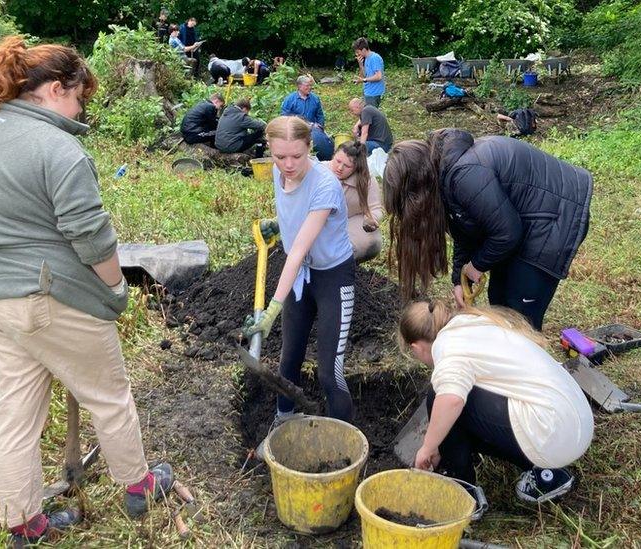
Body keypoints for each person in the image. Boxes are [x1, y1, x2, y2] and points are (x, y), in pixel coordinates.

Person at [0, 36, 173, 545]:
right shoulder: (58, 147)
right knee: (109, 395)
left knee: (15, 412)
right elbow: (90, 234)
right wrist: (116, 287)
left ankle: (25, 523)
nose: (80, 109)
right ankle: (139, 486)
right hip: (49, 297)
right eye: (79, 98)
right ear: (56, 90)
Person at [382, 128, 592, 330]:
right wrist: (459, 279)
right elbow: (464, 230)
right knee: (499, 301)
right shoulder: (444, 174)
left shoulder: (464, 175)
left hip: (555, 217)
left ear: (418, 185)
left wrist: (477, 265)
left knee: (519, 316)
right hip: (522, 221)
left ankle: (524, 359)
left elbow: (507, 234)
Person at [398, 300, 593, 502]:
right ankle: (547, 474)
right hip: (574, 423)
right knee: (456, 401)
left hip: (552, 431)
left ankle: (462, 493)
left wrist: (429, 447)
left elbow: (452, 400)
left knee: (439, 396)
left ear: (416, 347)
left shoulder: (448, 347)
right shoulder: (473, 322)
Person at [243, 116, 356, 437]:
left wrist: (272, 309)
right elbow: (296, 216)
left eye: (297, 155)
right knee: (288, 357)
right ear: (271, 151)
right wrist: (278, 225)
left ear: (310, 147)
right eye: (280, 157)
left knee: (328, 372)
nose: (288, 164)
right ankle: (284, 421)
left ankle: (343, 442)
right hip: (301, 275)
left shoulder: (325, 184)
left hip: (333, 276)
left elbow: (298, 249)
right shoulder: (279, 174)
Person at [323, 140, 383, 262]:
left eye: (347, 166)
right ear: (333, 156)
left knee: (372, 240)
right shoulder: (320, 170)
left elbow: (376, 208)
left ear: (356, 167)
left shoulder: (366, 181)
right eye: (338, 161)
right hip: (318, 221)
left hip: (348, 222)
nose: (340, 168)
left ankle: (344, 262)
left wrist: (372, 219)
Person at [281, 75, 334, 161]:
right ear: (299, 86)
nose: (310, 87)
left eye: (310, 85)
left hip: (313, 128)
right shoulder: (290, 99)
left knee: (325, 143)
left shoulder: (315, 98)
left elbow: (320, 114)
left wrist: (320, 126)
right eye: (307, 85)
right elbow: (284, 115)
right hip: (297, 129)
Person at [352, 37, 384, 107]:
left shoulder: (375, 58)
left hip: (374, 93)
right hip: (368, 91)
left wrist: (364, 80)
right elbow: (365, 76)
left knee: (371, 115)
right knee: (366, 113)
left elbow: (379, 76)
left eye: (357, 52)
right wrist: (360, 64)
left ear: (363, 50)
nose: (357, 54)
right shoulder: (366, 59)